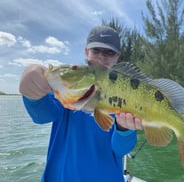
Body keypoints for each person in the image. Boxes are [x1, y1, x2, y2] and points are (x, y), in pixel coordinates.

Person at [19, 25, 143, 182]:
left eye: (109, 52)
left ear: (118, 56)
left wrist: (124, 128)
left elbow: (120, 149)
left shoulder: (123, 93)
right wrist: (31, 91)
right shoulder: (69, 85)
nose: (101, 57)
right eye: (96, 50)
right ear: (86, 52)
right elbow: (41, 115)